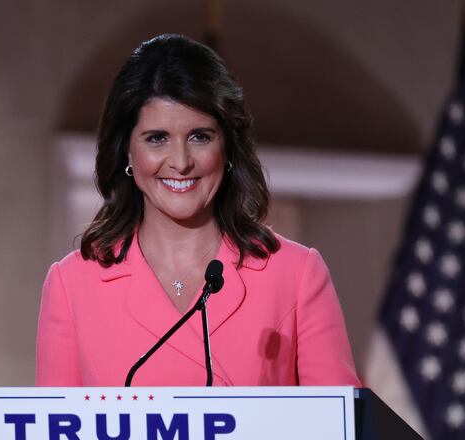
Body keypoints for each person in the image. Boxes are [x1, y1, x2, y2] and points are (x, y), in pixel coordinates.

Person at [36, 34, 361, 387]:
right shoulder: (72, 286)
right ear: (127, 151)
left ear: (228, 148)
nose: (180, 162)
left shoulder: (296, 275)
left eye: (200, 137)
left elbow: (343, 423)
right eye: (156, 138)